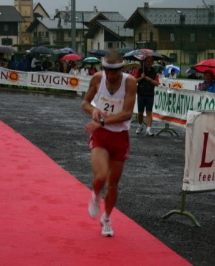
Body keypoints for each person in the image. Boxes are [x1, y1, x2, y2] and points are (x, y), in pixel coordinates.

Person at [81, 51, 136, 237]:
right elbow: (85, 103)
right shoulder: (98, 78)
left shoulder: (130, 82)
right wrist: (94, 110)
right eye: (107, 71)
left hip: (120, 136)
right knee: (101, 175)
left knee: (113, 184)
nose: (111, 76)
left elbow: (127, 113)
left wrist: (102, 121)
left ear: (122, 69)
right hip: (101, 135)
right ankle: (95, 195)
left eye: (115, 72)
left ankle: (106, 218)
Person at [134, 56, 160, 136]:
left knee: (149, 112)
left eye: (150, 61)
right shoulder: (140, 70)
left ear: (152, 62)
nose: (149, 63)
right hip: (141, 93)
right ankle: (140, 125)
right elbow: (134, 80)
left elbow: (157, 83)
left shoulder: (154, 72)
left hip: (150, 94)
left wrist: (149, 79)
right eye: (147, 61)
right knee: (140, 112)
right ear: (144, 62)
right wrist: (141, 78)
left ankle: (148, 129)